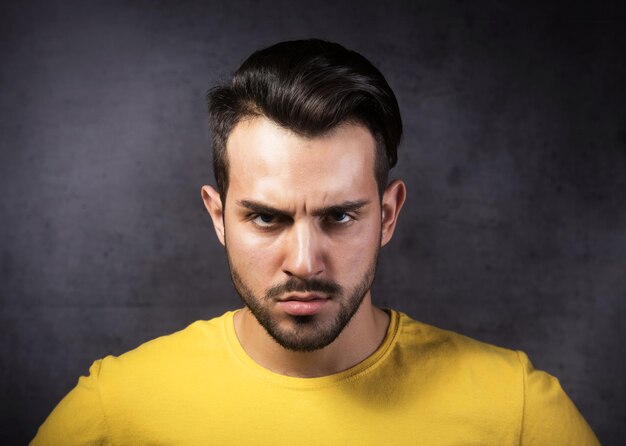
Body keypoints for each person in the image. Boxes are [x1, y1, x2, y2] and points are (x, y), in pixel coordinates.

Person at [31, 39, 599, 445]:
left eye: (340, 216)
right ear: (217, 216)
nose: (304, 262)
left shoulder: (517, 410)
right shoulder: (117, 409)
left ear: (388, 213)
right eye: (265, 218)